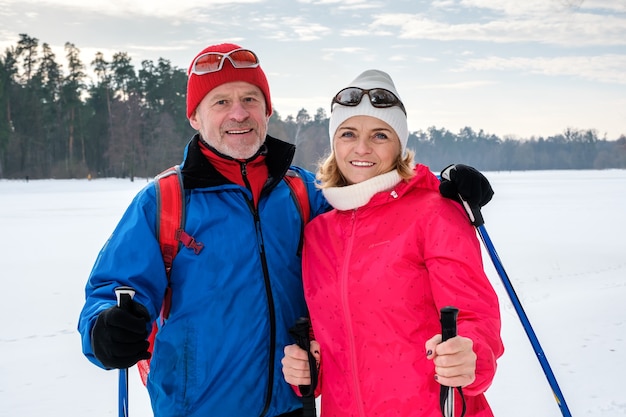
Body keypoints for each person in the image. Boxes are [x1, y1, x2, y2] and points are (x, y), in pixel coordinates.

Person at [78, 43, 494, 417]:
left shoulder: (305, 193)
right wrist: (104, 329)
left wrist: (442, 185)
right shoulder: (165, 200)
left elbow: (372, 199)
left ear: (267, 110)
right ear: (194, 116)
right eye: (220, 101)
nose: (237, 113)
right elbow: (113, 288)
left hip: (291, 404)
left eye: (249, 99)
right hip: (197, 409)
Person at [281, 69, 504, 417]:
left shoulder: (434, 212)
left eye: (380, 135)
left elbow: (476, 316)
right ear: (334, 142)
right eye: (348, 133)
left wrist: (471, 353)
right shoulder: (318, 232)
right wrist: (308, 370)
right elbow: (326, 340)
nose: (362, 148)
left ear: (399, 145)